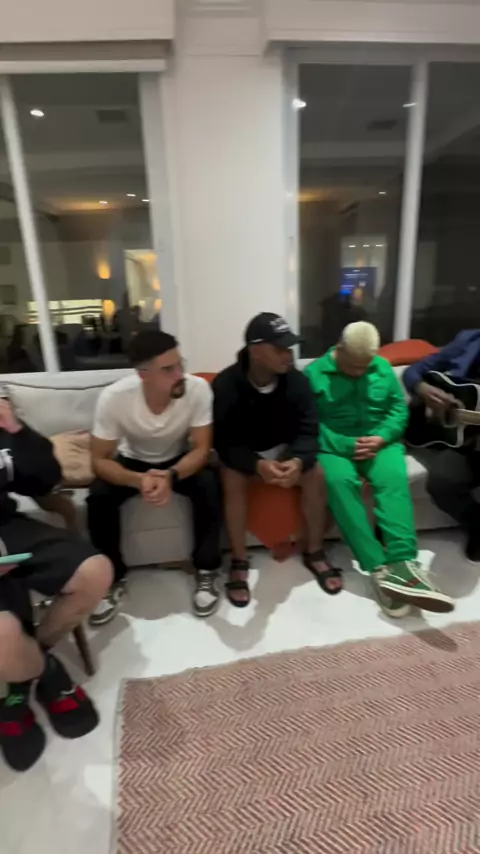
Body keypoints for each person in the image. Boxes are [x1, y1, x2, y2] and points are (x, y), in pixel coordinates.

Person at [304, 321, 454, 617]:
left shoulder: (382, 368)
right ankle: (379, 569)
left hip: (380, 443)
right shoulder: (313, 374)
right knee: (338, 482)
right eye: (353, 367)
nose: (359, 372)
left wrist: (382, 437)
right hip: (335, 446)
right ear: (339, 348)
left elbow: (397, 410)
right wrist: (345, 444)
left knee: (394, 478)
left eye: (365, 366)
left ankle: (404, 564)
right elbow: (308, 425)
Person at [0, 399, 112, 772]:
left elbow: (45, 479)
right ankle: (43, 671)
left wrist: (17, 431)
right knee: (3, 633)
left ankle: (27, 665)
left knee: (95, 572)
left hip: (7, 528)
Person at [87, 329, 222, 624]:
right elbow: (99, 460)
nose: (179, 374)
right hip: (132, 461)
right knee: (98, 497)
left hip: (178, 459)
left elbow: (201, 449)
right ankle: (111, 578)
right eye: (168, 369)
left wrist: (171, 476)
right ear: (143, 374)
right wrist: (138, 480)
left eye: (180, 364)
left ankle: (206, 570)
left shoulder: (198, 390)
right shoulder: (115, 398)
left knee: (209, 484)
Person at [213, 312, 341, 607]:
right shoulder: (226, 384)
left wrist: (297, 461)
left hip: (286, 451)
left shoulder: (297, 381)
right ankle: (239, 560)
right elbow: (225, 442)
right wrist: (256, 465)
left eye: (289, 347)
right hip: (247, 455)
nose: (288, 355)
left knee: (316, 474)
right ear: (256, 351)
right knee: (230, 477)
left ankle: (314, 551)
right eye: (280, 348)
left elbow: (309, 431)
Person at [403, 329, 480, 562]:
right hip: (460, 442)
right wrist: (423, 389)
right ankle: (476, 523)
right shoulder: (469, 339)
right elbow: (413, 371)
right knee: (440, 484)